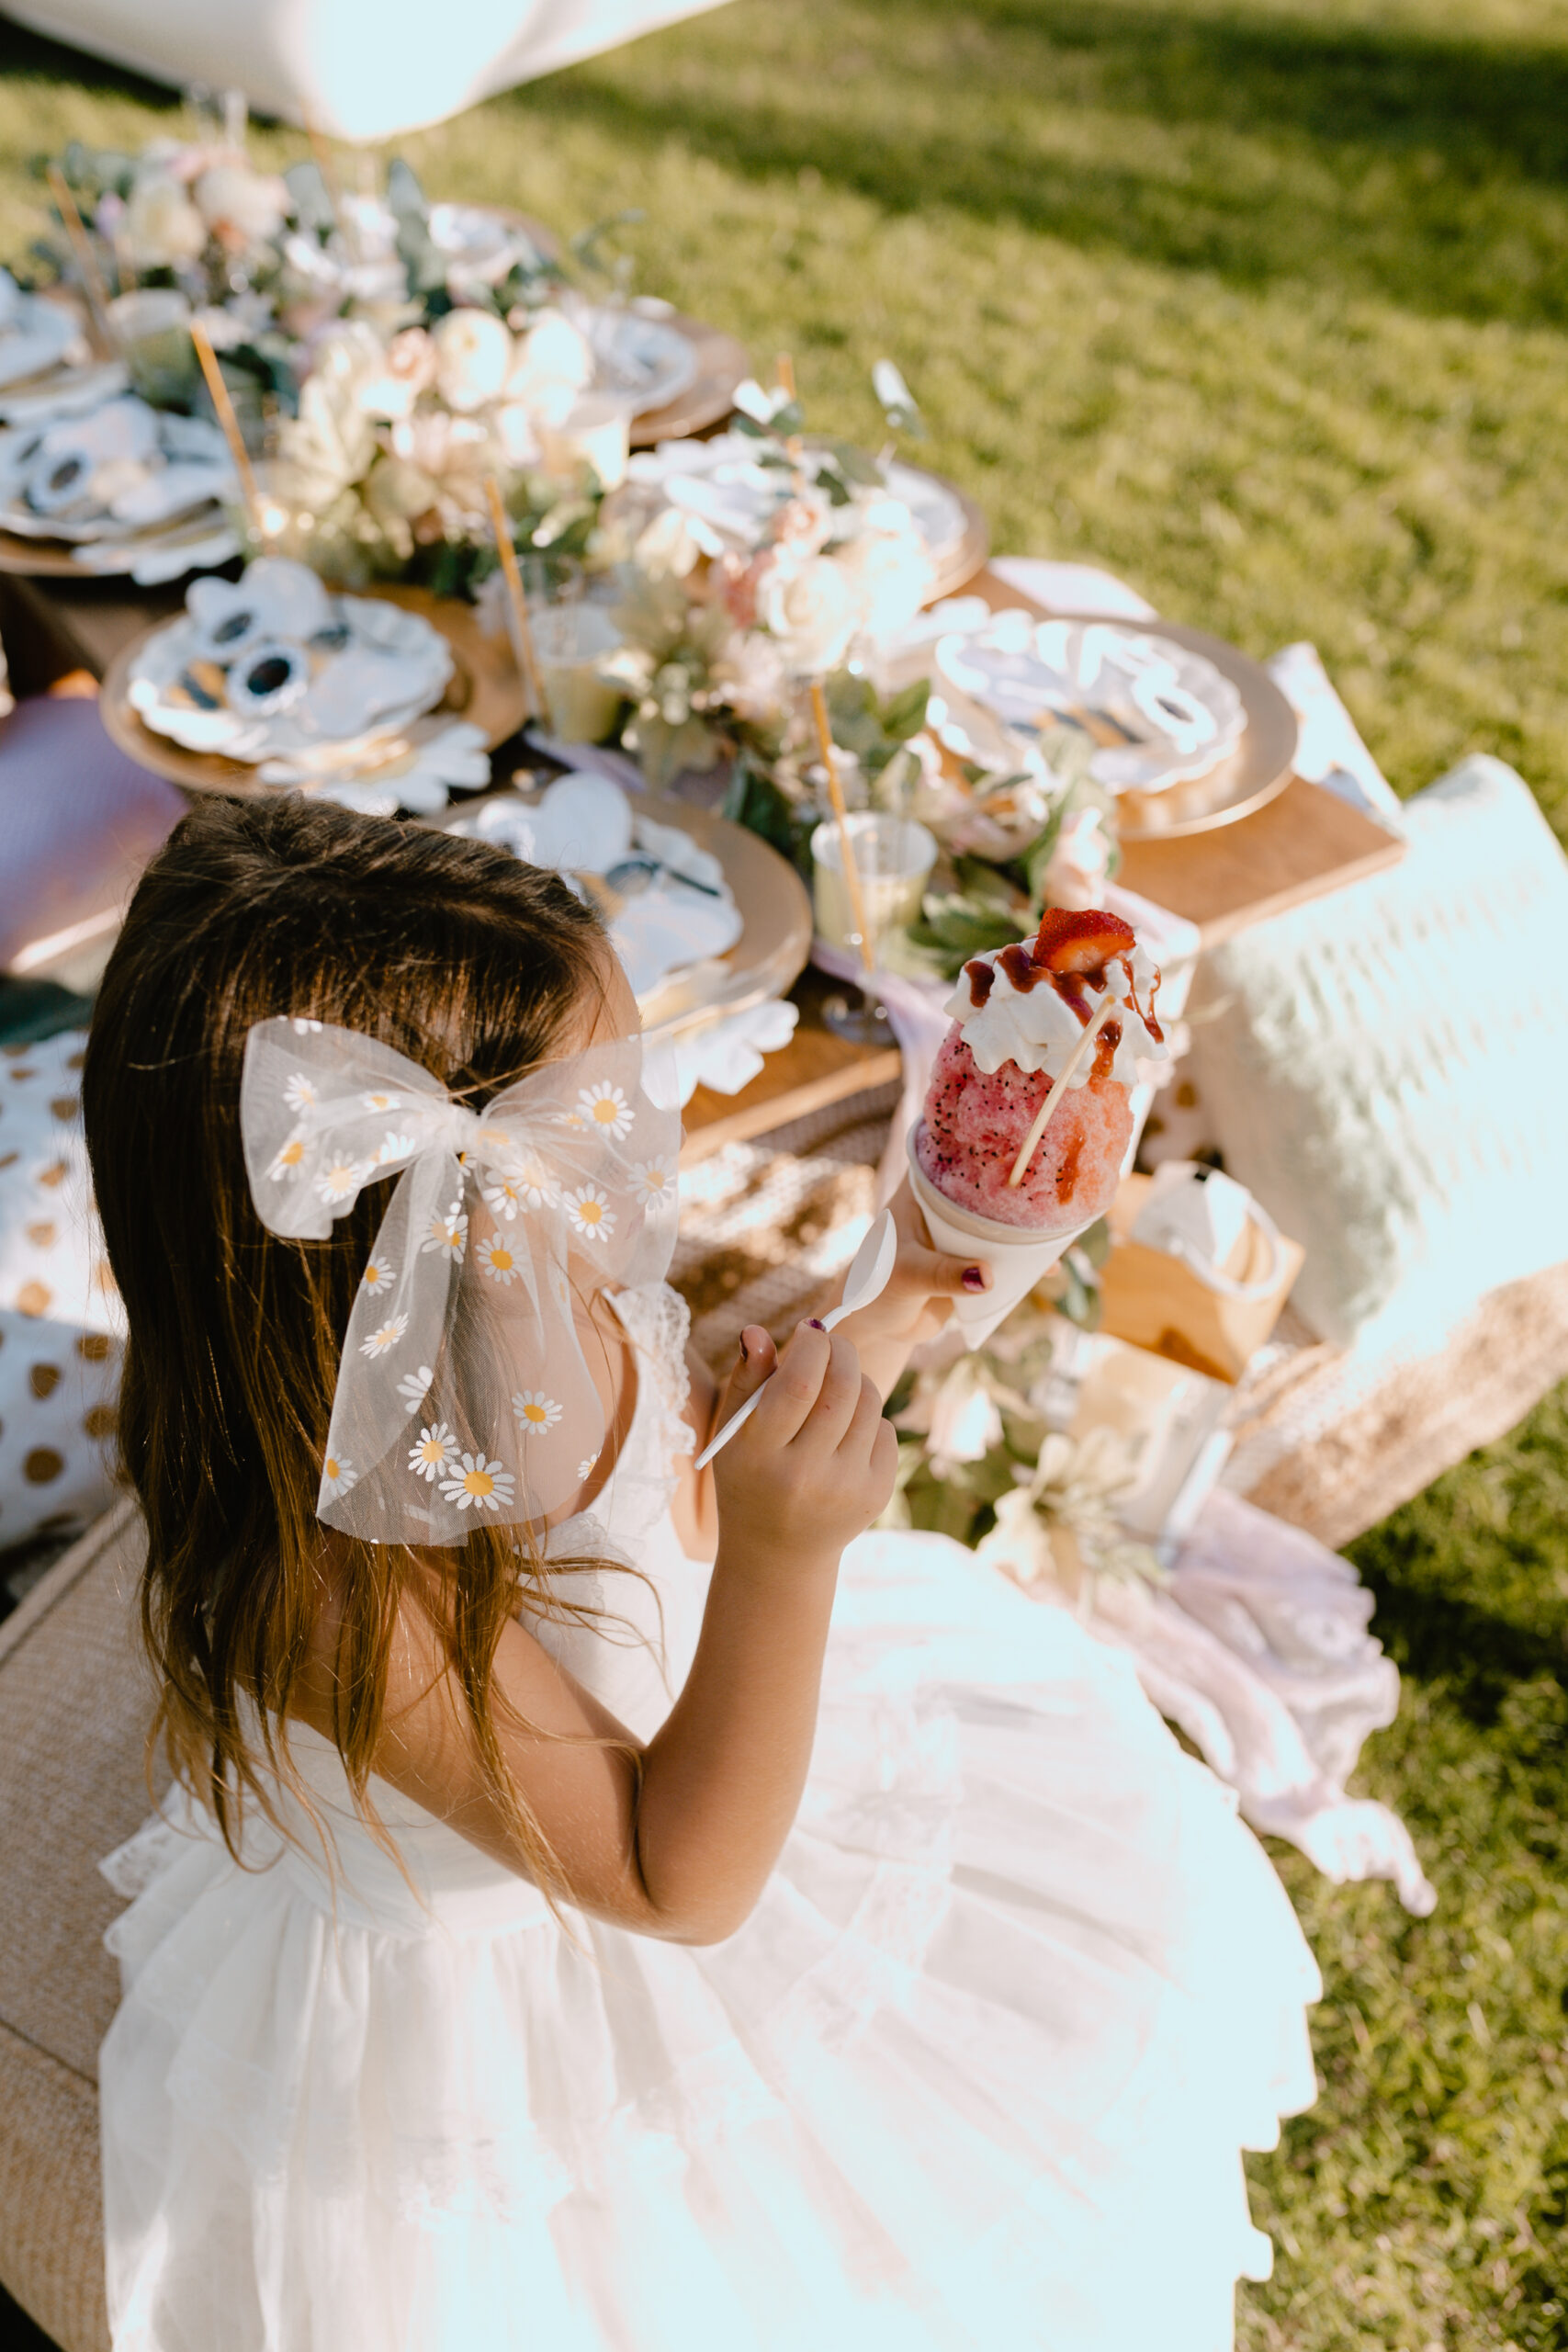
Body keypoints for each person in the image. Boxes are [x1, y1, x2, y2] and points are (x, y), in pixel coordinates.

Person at [85, 796, 1319, 2352]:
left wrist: (896, 1308)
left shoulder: (521, 1278)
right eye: (593, 1114)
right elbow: (680, 1883)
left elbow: (650, 1510)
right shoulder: (322, 1597)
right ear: (420, 1219)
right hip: (557, 1976)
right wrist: (794, 1558)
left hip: (722, 1739)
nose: (639, 1141)